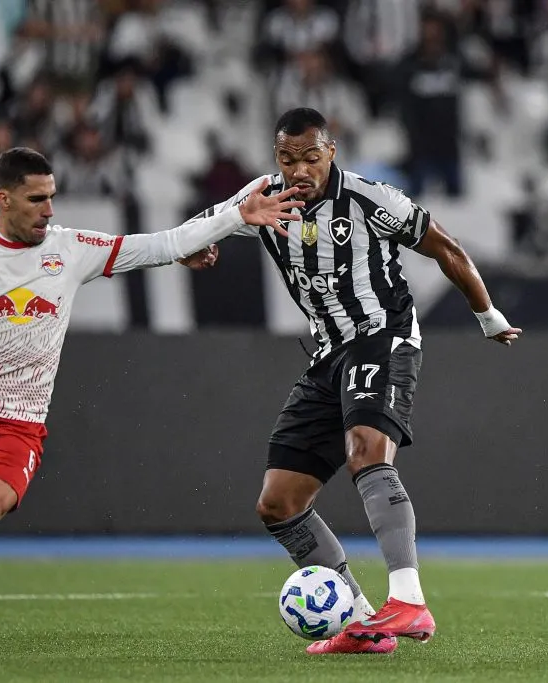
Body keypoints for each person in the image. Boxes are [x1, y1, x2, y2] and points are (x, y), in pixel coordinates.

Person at [0, 146, 303, 664]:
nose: (49, 210)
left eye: (52, 197)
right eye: (36, 199)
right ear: (4, 199)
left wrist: (233, 216)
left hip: (16, 423)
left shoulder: (71, 249)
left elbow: (163, 243)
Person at [193, 108, 520, 655]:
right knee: (278, 503)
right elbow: (204, 226)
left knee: (367, 451)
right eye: (287, 158)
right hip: (326, 355)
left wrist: (488, 317)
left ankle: (409, 599)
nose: (299, 170)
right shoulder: (263, 198)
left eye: (310, 157)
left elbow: (446, 248)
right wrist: (198, 247)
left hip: (382, 337)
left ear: (331, 151)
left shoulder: (373, 200)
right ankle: (362, 624)